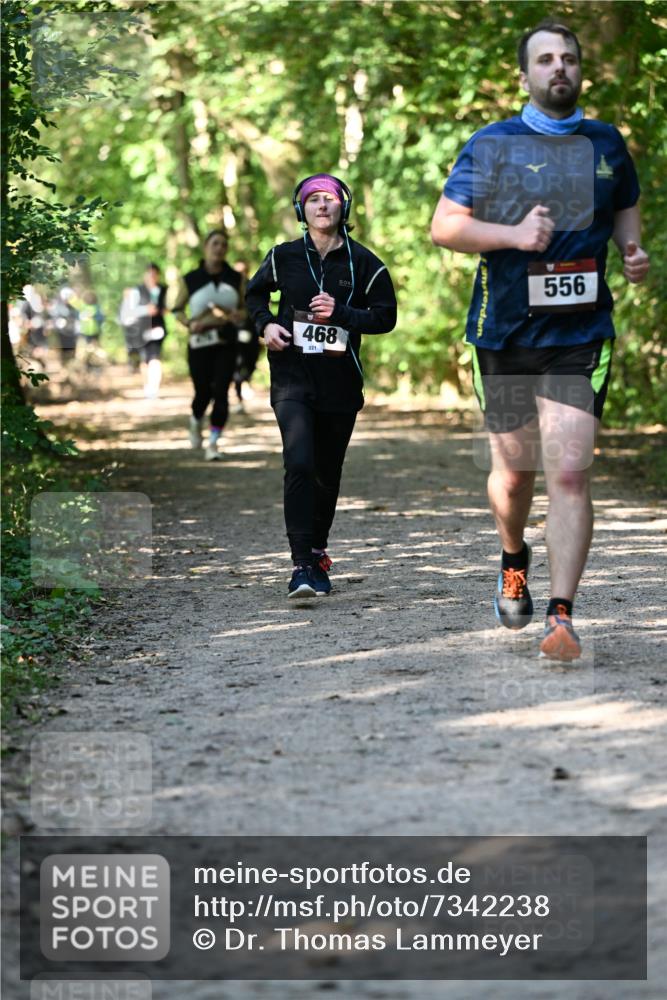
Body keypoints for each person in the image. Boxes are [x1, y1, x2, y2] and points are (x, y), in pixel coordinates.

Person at [431, 20, 649, 661]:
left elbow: (624, 207)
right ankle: (512, 558)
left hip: (580, 334)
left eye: (569, 58)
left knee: (571, 472)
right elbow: (445, 226)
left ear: (580, 70)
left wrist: (632, 250)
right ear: (524, 75)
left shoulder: (606, 142)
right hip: (505, 333)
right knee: (514, 474)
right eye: (546, 59)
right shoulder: (492, 144)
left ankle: (562, 614)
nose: (560, 68)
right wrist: (514, 236)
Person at [246, 173, 397, 599]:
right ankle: (301, 565)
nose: (322, 205)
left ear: (343, 207)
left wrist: (343, 313)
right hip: (292, 378)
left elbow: (385, 317)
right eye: (313, 200)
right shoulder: (283, 256)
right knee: (299, 462)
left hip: (340, 383)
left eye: (329, 198)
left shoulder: (365, 262)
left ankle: (317, 551)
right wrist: (266, 325)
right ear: (302, 210)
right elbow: (254, 296)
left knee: (327, 472)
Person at [172, 231, 245, 460]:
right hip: (199, 342)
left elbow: (248, 307)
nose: (219, 248)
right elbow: (176, 310)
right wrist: (189, 323)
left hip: (227, 341)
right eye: (215, 243)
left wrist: (239, 315)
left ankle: (213, 442)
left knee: (221, 392)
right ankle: (196, 421)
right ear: (205, 247)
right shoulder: (191, 278)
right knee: (202, 392)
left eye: (224, 244)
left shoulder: (237, 278)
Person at [119, 264, 168, 398]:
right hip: (140, 331)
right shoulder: (136, 291)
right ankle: (148, 386)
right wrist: (145, 310)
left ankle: (154, 388)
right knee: (145, 360)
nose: (152, 277)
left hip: (157, 330)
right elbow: (127, 312)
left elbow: (170, 307)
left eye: (154, 274)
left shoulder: (164, 290)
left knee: (155, 358)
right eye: (150, 274)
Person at [230, 261, 260, 414]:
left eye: (243, 271)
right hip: (235, 332)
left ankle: (246, 381)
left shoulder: (254, 285)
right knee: (238, 362)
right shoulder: (229, 288)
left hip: (252, 331)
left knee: (251, 360)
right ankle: (239, 397)